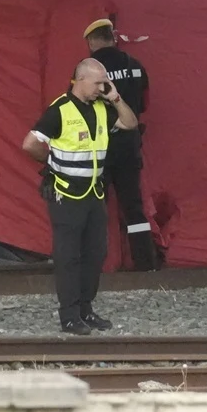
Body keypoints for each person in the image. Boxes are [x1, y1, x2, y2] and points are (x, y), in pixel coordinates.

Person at [22, 58, 139, 335]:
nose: (103, 87)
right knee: (68, 256)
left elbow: (130, 123)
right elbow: (30, 144)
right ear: (81, 79)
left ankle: (86, 308)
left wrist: (116, 97)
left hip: (94, 192)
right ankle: (69, 315)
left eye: (105, 83)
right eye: (99, 83)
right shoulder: (60, 110)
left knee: (95, 253)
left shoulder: (102, 108)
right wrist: (50, 166)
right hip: (66, 193)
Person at [84, 18, 156, 270]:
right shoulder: (135, 66)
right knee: (134, 206)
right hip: (128, 146)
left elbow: (77, 108)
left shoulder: (86, 71)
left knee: (94, 206)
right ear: (112, 38)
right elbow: (144, 104)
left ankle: (93, 264)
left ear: (92, 41)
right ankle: (146, 263)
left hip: (98, 148)